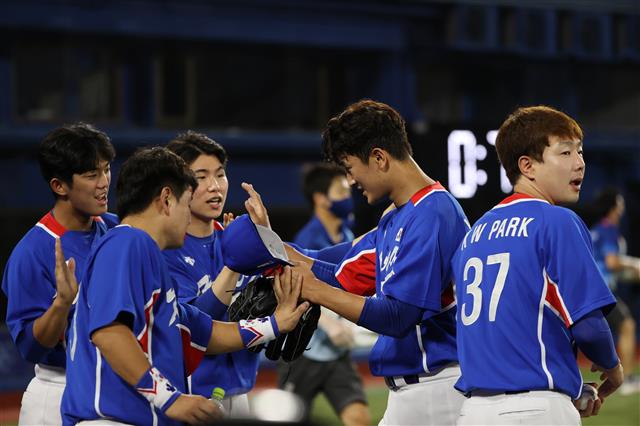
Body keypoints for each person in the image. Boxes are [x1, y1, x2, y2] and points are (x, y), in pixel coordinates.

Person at [60, 147, 308, 426]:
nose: (188, 216)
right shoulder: (127, 242)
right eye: (186, 202)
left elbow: (204, 331)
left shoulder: (147, 256)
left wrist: (275, 323)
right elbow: (110, 333)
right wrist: (170, 399)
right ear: (166, 199)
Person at [292, 99, 470, 425]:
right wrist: (272, 250)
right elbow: (339, 265)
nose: (351, 181)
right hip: (417, 390)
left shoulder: (433, 213)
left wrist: (313, 291)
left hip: (438, 389)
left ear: (378, 158)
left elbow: (398, 316)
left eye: (349, 168)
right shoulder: (398, 216)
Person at [451, 105, 624, 425]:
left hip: (473, 412)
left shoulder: (472, 236)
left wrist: (569, 388)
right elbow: (588, 324)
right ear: (527, 166)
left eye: (580, 151)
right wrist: (613, 368)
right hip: (535, 411)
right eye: (565, 152)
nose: (580, 163)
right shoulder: (556, 222)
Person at [1, 123, 117, 425]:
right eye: (92, 175)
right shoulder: (32, 253)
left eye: (106, 170)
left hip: (113, 385)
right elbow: (31, 346)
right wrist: (61, 304)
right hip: (58, 391)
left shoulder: (117, 230)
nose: (104, 182)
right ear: (59, 186)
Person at [163, 131, 260, 416]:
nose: (215, 187)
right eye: (201, 176)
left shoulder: (231, 239)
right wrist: (233, 265)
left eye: (220, 174)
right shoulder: (166, 249)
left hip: (240, 391)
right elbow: (193, 328)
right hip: (190, 396)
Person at [279, 163, 370, 426]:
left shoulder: (347, 235)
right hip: (301, 355)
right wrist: (329, 325)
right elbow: (292, 290)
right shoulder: (306, 241)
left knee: (359, 418)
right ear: (320, 198)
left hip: (336, 354)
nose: (348, 196)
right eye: (341, 191)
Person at [590, 186, 640, 395]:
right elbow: (611, 263)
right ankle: (627, 379)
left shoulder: (596, 229)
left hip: (591, 290)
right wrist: (634, 265)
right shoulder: (609, 229)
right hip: (602, 291)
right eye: (619, 203)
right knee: (627, 326)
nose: (622, 207)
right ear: (612, 207)